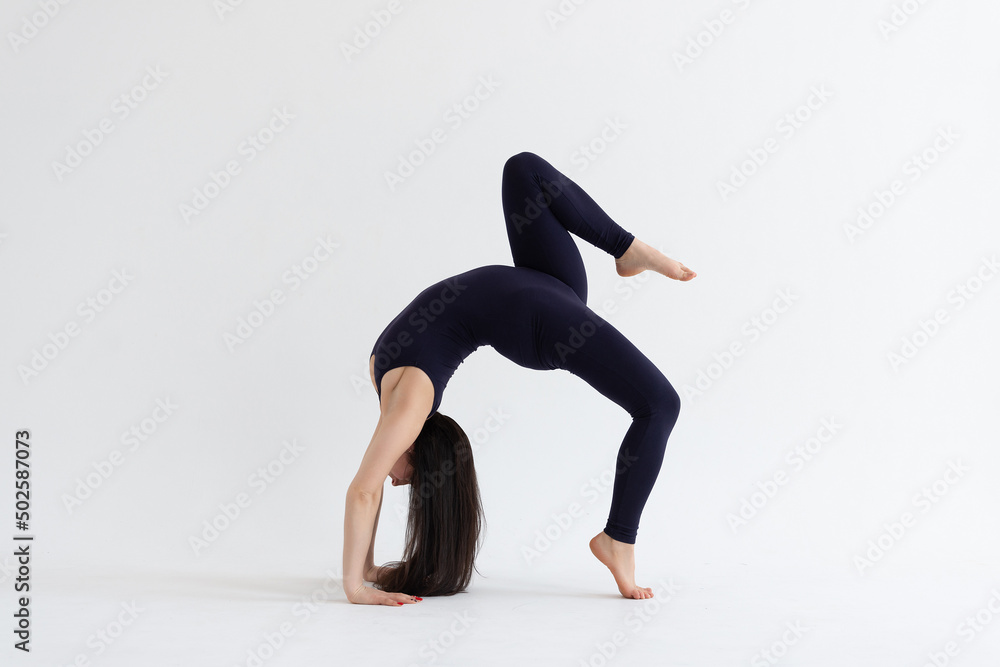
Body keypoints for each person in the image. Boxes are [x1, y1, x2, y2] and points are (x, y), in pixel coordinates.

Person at [344, 152, 696, 606]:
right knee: (660, 405)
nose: (394, 481)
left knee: (522, 169)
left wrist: (358, 583)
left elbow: (362, 490)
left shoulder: (405, 403)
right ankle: (618, 540)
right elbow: (368, 490)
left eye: (403, 479)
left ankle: (627, 250)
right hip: (539, 322)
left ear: (410, 445)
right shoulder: (403, 393)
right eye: (406, 481)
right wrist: (366, 570)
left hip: (546, 289)